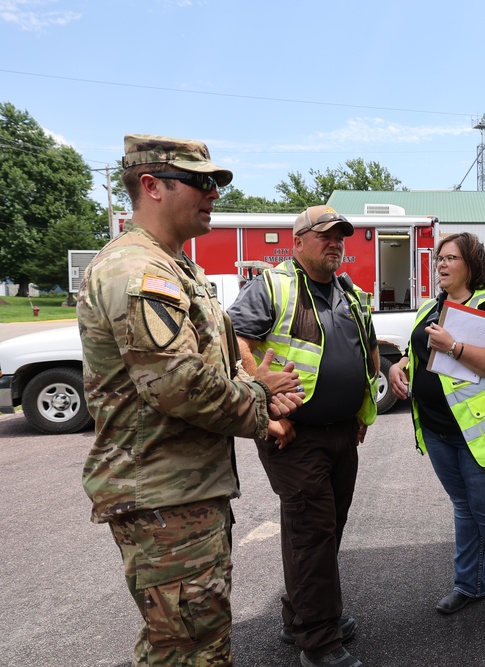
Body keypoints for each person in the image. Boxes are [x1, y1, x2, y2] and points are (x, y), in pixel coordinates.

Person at [78, 134, 303, 666]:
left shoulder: (175, 268)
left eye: (216, 183)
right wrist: (259, 400)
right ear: (152, 186)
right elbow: (178, 384)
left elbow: (202, 367)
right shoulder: (139, 272)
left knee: (190, 640)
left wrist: (257, 398)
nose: (213, 194)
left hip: (181, 491)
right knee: (190, 650)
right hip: (163, 495)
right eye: (200, 182)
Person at [227, 205, 379, 667]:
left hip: (340, 432)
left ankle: (303, 615)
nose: (336, 243)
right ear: (298, 242)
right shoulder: (274, 284)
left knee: (324, 529)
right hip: (295, 435)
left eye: (341, 237)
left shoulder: (348, 291)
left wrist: (360, 404)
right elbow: (236, 341)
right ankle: (318, 642)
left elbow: (367, 347)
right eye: (325, 236)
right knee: (312, 533)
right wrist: (265, 402)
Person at [388, 232, 485, 621]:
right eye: (439, 258)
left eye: (451, 258)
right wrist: (399, 365)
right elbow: (416, 350)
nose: (441, 264)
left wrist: (455, 347)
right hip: (438, 431)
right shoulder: (431, 307)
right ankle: (469, 585)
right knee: (464, 509)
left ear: (471, 263)